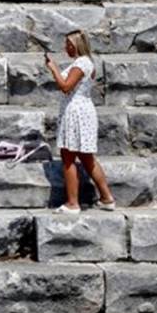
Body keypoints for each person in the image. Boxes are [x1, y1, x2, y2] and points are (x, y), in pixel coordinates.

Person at [44, 30, 117, 213]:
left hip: (76, 112)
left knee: (68, 157)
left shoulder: (81, 63)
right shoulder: (86, 63)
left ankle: (72, 203)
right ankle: (107, 198)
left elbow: (66, 87)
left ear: (77, 45)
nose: (66, 48)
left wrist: (53, 69)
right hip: (82, 110)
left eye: (69, 44)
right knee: (86, 158)